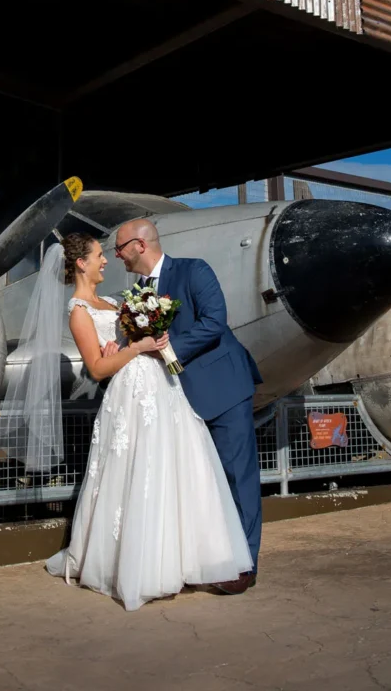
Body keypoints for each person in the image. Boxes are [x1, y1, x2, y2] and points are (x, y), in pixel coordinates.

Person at [21, 232, 252, 612]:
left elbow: (122, 344)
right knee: (139, 472)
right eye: (99, 255)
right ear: (81, 263)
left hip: (163, 386)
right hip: (131, 393)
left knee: (177, 468)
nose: (106, 261)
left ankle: (188, 559)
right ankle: (143, 566)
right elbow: (96, 369)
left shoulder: (113, 301)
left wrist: (135, 342)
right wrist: (135, 347)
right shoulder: (78, 310)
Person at [114, 218, 263, 595]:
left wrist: (169, 350)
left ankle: (245, 565)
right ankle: (207, 558)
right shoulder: (138, 291)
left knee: (236, 477)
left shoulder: (194, 270)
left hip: (222, 388)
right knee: (200, 483)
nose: (117, 255)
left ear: (140, 245)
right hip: (174, 400)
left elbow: (215, 322)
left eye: (120, 248)